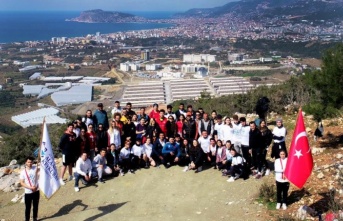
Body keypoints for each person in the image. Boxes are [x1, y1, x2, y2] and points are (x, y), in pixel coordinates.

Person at [20, 156, 40, 221]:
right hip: (28, 192)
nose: (30, 163)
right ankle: (27, 219)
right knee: (28, 207)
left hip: (36, 191)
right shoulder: (23, 172)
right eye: (28, 162)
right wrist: (30, 187)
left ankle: (35, 218)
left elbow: (41, 175)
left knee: (35, 206)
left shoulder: (35, 168)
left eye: (31, 162)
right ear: (26, 162)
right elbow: (22, 182)